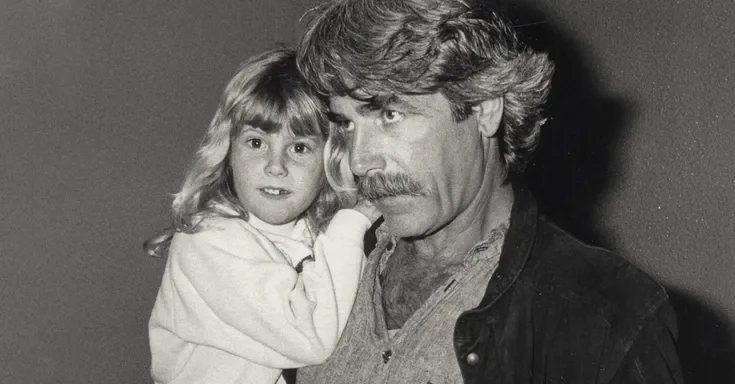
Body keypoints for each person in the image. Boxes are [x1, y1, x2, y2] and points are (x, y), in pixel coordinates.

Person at [294, 0, 683, 383]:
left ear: (484, 107)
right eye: (346, 124)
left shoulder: (606, 314)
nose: (360, 161)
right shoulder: (317, 261)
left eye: (389, 115)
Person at [145, 48, 379, 384]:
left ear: (330, 159)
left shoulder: (307, 234)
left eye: (299, 148)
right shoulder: (206, 241)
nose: (275, 166)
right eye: (256, 143)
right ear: (228, 151)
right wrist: (353, 223)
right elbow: (310, 338)